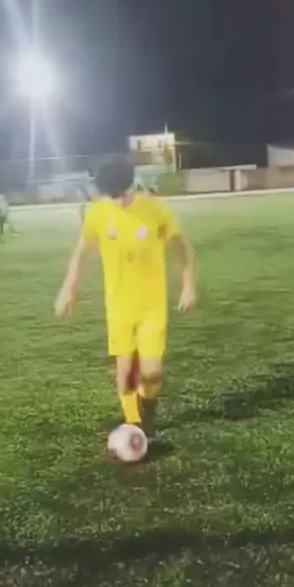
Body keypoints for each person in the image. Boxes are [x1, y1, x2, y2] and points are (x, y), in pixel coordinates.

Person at [55, 161, 196, 441]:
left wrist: (188, 285)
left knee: (151, 373)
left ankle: (148, 411)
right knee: (126, 370)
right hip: (119, 306)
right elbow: (81, 254)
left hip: (151, 305)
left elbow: (182, 248)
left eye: (119, 194)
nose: (116, 200)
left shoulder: (155, 210)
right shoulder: (98, 213)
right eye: (110, 195)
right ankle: (135, 424)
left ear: (130, 186)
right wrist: (68, 290)